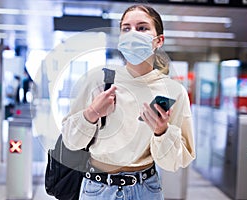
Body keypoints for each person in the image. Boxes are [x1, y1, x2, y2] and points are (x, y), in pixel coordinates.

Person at [61, 4, 196, 200]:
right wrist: (92, 113)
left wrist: (162, 132)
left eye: (142, 28)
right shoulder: (98, 80)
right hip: (98, 189)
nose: (133, 34)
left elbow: (174, 162)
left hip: (146, 189)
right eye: (126, 28)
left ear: (159, 41)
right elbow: (71, 142)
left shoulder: (173, 92)